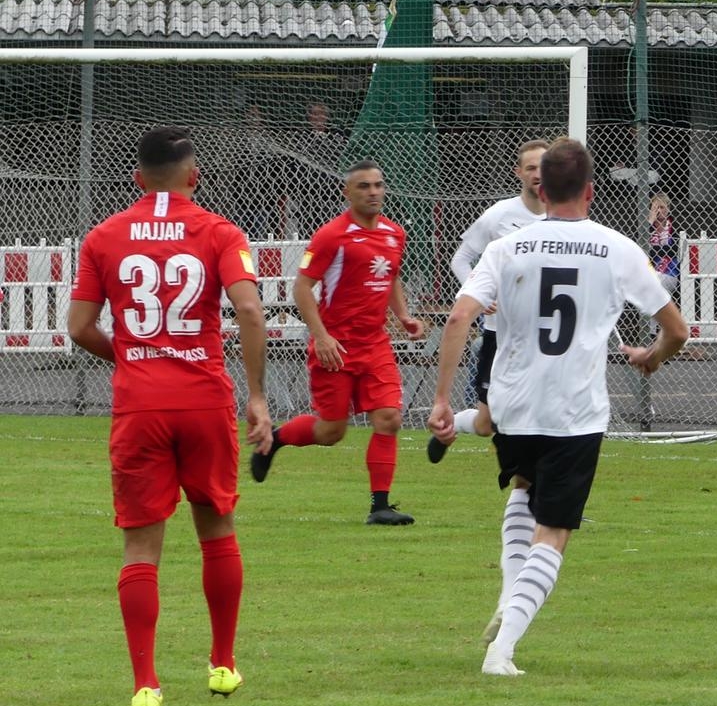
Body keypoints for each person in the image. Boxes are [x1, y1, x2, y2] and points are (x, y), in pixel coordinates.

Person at [428, 137, 688, 676]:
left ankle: (508, 594)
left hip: (514, 405)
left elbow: (457, 319)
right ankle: (502, 650)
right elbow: (677, 330)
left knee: (524, 488)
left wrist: (441, 400)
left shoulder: (507, 247)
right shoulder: (617, 248)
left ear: (541, 191)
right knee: (554, 531)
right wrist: (652, 356)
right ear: (590, 191)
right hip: (575, 411)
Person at [65, 126, 272, 706]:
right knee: (217, 529)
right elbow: (249, 308)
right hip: (204, 399)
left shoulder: (104, 236)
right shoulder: (220, 231)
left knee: (140, 544)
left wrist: (134, 356)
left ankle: (145, 685)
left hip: (140, 404)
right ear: (194, 176)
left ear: (137, 179)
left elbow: (79, 327)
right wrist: (258, 397)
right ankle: (223, 664)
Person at [249, 160, 426, 524]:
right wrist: (322, 335)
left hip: (375, 343)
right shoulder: (332, 235)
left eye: (378, 185)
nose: (373, 192)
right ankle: (276, 440)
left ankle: (380, 507)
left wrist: (403, 315)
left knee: (389, 418)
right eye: (364, 186)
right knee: (331, 431)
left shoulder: (394, 233)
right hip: (336, 346)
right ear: (347, 192)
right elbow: (302, 288)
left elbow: (391, 276)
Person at [427, 140, 548, 464]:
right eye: (531, 167)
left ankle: (532, 485)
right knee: (486, 423)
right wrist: (481, 294)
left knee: (539, 419)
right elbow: (460, 259)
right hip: (501, 334)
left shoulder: (563, 217)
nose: (538, 173)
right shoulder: (499, 216)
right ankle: (453, 423)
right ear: (518, 172)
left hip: (543, 337)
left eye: (543, 166)